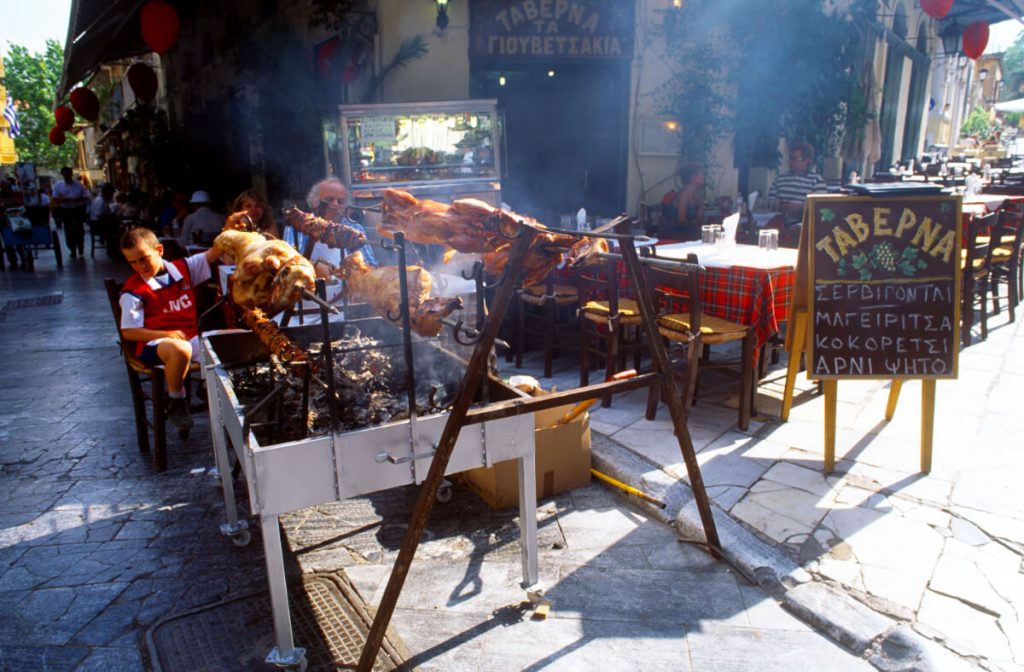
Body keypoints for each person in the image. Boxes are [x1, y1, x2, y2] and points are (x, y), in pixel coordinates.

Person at [118, 227, 223, 430]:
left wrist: (232, 228)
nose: (140, 266)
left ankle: (206, 388)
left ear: (159, 250)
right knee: (180, 349)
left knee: (226, 343)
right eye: (132, 262)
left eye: (144, 258)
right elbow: (129, 332)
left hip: (188, 337)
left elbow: (214, 252)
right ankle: (176, 400)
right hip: (154, 344)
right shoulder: (134, 290)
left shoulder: (182, 268)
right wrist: (165, 334)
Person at [304, 178, 377, 279]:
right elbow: (290, 261)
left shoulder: (355, 228)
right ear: (315, 202)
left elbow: (371, 265)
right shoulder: (301, 224)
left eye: (340, 201)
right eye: (329, 200)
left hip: (346, 291)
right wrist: (313, 265)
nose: (335, 204)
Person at [767, 140, 828, 224]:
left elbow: (822, 209)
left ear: (806, 160)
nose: (790, 161)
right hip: (781, 223)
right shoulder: (780, 179)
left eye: (794, 159)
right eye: (790, 158)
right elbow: (769, 201)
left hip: (804, 225)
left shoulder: (817, 181)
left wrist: (800, 208)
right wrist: (780, 206)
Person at [660, 161, 706, 241]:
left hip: (687, 235)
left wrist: (701, 209)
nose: (703, 177)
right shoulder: (684, 195)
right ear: (693, 177)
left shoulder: (695, 196)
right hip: (675, 237)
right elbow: (681, 220)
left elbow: (699, 220)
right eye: (701, 174)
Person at [51, 167, 91, 258]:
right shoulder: (58, 185)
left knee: (79, 229)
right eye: (65, 174)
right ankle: (72, 249)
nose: (67, 176)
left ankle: (80, 247)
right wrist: (66, 199)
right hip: (66, 210)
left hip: (78, 209)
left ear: (71, 174)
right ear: (63, 175)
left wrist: (78, 199)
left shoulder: (78, 185)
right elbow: (55, 198)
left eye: (69, 174)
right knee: (68, 230)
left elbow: (86, 195)